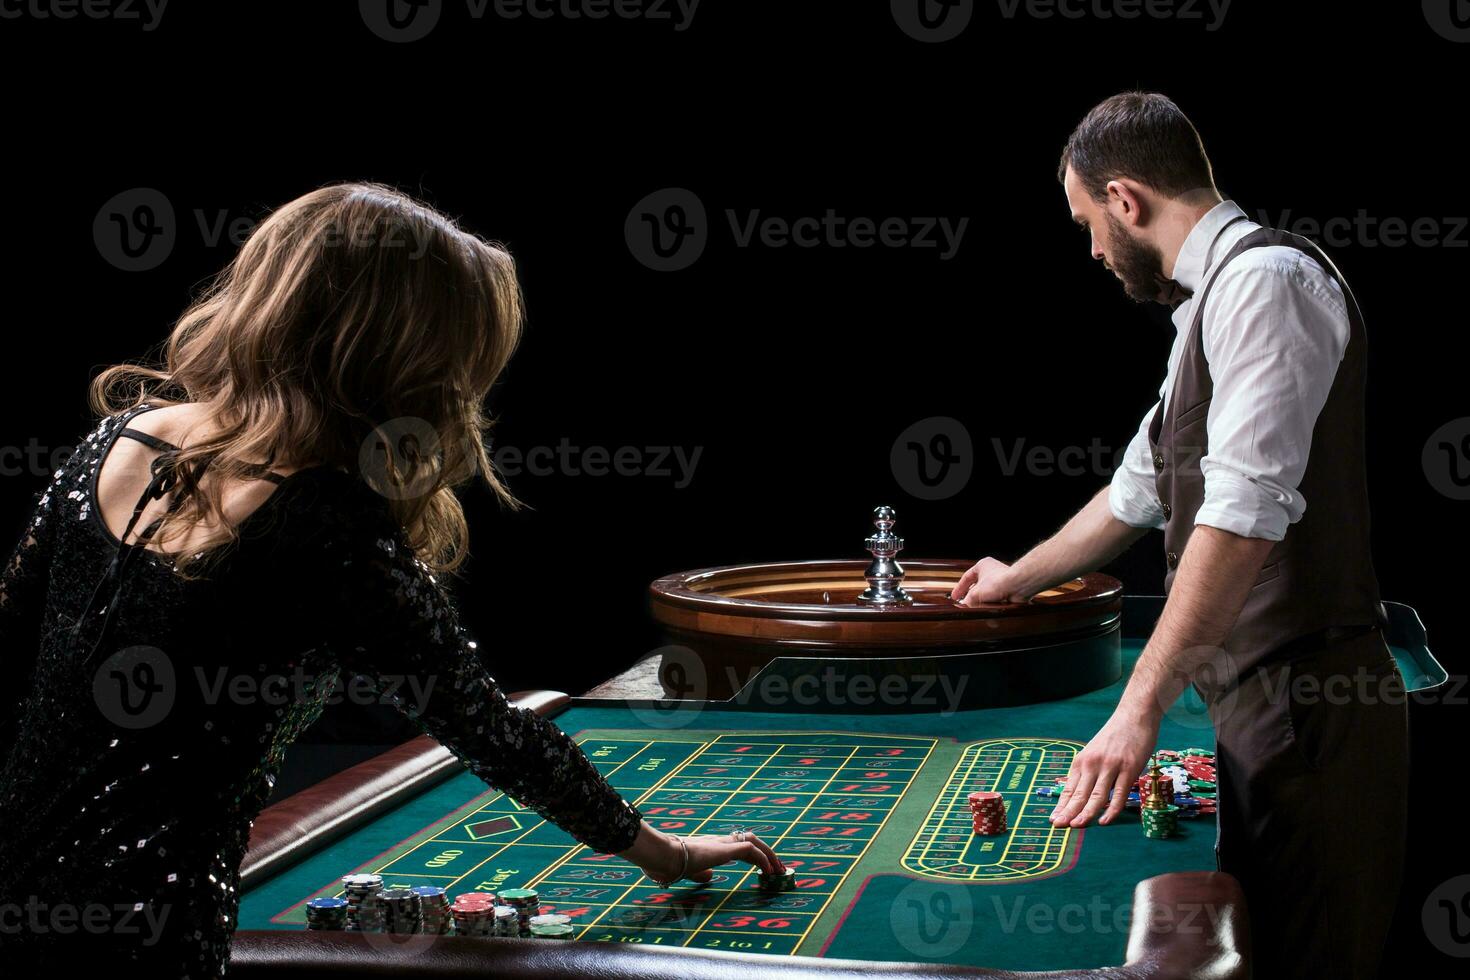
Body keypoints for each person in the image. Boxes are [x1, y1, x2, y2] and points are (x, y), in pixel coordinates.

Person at [0, 183, 782, 973]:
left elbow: (15, 648)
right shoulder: (328, 524)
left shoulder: (116, 439)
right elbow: (491, 730)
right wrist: (666, 853)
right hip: (150, 938)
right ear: (402, 359)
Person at [951, 93, 1407, 979]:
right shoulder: (1209, 306)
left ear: (1125, 199)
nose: (1090, 250)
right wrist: (1019, 579)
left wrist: (1138, 710)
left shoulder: (1268, 286)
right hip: (1258, 700)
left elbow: (1239, 520)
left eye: (1087, 223)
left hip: (1310, 705)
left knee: (1305, 962)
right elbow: (1136, 493)